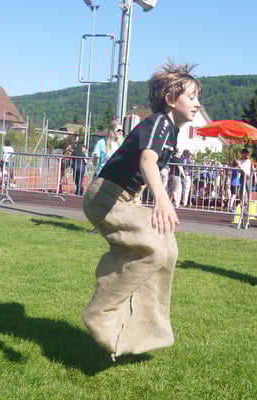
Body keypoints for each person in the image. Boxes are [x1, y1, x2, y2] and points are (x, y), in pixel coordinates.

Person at [81, 61, 201, 359]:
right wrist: (161, 199)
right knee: (153, 251)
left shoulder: (171, 131)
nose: (197, 104)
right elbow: (147, 160)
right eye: (191, 97)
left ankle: (142, 328)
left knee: (168, 251)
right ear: (170, 99)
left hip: (124, 199)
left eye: (197, 97)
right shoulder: (160, 122)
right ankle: (100, 313)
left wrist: (142, 198)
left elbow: (141, 167)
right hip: (105, 197)